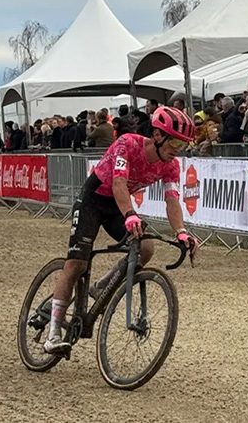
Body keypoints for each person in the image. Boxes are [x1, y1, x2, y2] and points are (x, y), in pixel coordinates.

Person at [44, 106, 199, 354]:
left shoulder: (170, 166)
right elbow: (118, 182)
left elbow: (172, 199)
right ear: (158, 136)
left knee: (146, 248)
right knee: (76, 264)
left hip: (119, 205)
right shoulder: (128, 144)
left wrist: (181, 231)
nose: (177, 151)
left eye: (182, 146)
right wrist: (130, 214)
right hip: (94, 200)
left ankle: (102, 285)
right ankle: (53, 333)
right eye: (175, 144)